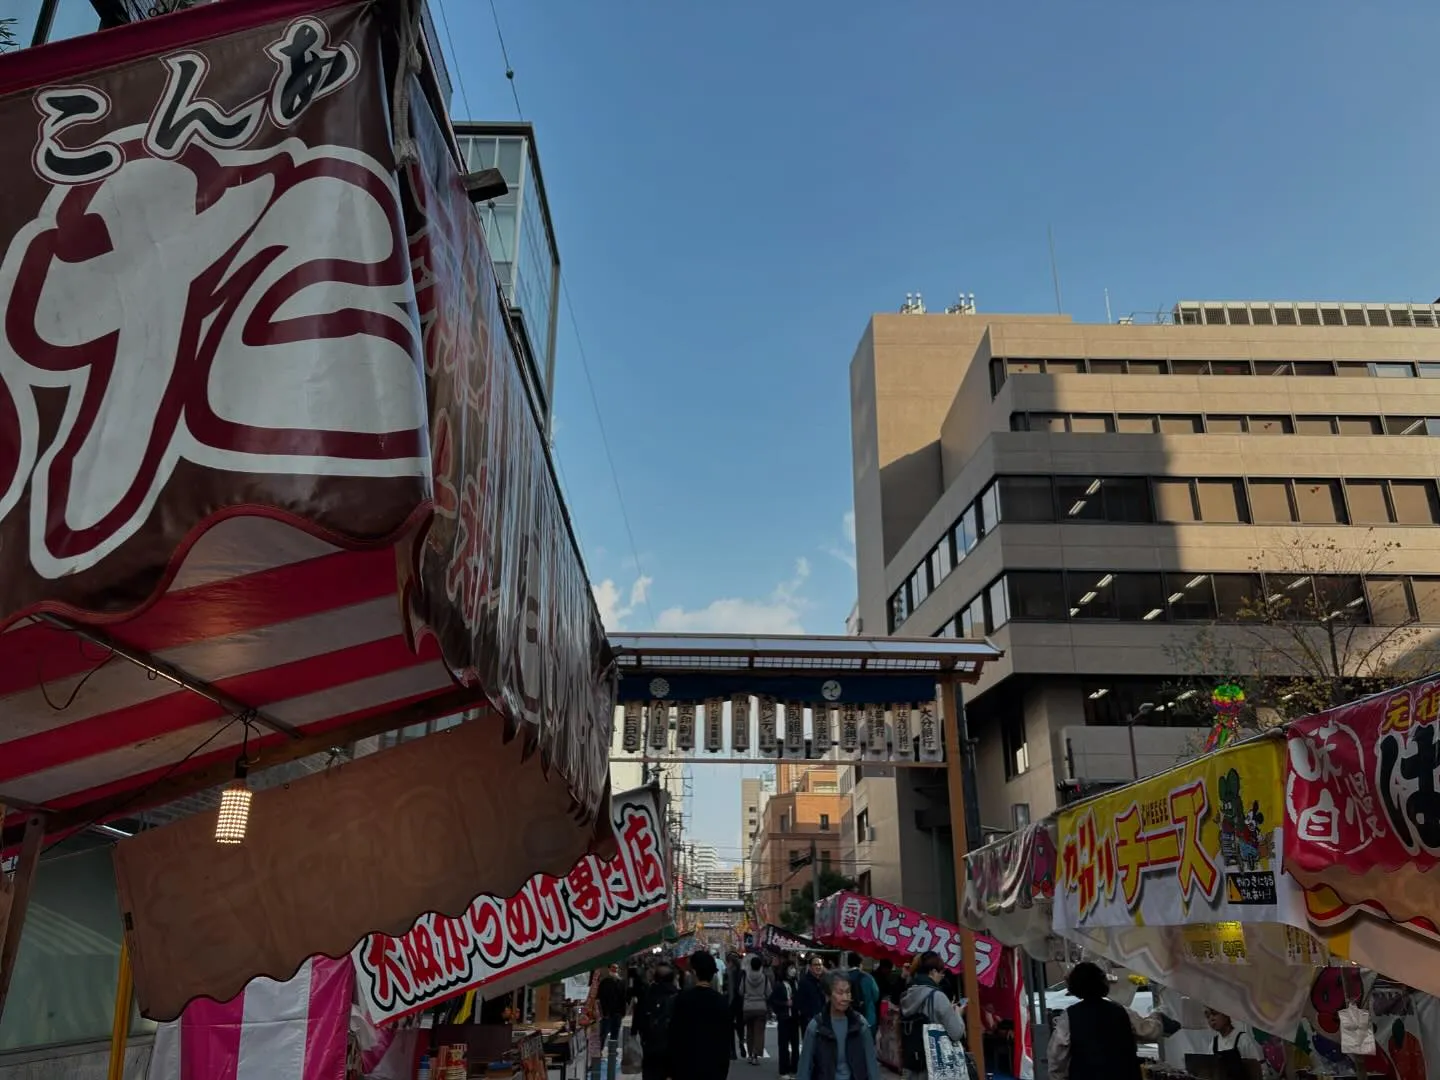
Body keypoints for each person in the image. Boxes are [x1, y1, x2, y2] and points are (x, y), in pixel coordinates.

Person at [1046, 962, 1140, 1080]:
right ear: (1103, 982)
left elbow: (1057, 1056)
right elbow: (1148, 1032)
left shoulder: (1069, 1016)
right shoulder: (1122, 1011)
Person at [796, 972, 879, 1080]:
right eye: (840, 993)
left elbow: (871, 1064)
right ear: (828, 995)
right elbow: (804, 1067)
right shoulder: (816, 1027)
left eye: (848, 992)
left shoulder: (860, 1024)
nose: (845, 998)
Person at [899, 951, 968, 1080]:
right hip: (933, 1067)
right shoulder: (937, 996)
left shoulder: (907, 994)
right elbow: (956, 1033)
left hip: (911, 1064)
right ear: (932, 972)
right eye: (941, 972)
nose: (942, 976)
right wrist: (957, 1014)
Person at [669, 950, 733, 1080]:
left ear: (694, 972)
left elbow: (674, 1036)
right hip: (713, 1068)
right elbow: (726, 1040)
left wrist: (671, 1070)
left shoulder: (682, 1000)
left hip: (686, 1067)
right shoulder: (721, 1002)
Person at [634, 964, 680, 1080]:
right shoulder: (679, 997)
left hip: (650, 1049)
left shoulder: (646, 996)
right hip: (673, 1051)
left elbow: (638, 1021)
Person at [1204, 1007, 1263, 1080]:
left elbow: (1258, 1071)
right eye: (1207, 1016)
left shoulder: (1243, 1039)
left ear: (1226, 1015)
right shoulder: (1213, 1043)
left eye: (1215, 1013)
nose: (1211, 1019)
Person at [770, 958, 801, 1080]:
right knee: (783, 1045)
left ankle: (795, 1068)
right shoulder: (779, 985)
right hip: (784, 1018)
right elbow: (773, 1001)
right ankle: (783, 1070)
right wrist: (784, 1004)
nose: (793, 970)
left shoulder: (796, 984)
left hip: (794, 1018)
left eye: (794, 968)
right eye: (790, 968)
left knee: (795, 1045)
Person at [741, 954, 773, 1065]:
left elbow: (741, 991)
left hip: (748, 1007)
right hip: (760, 1007)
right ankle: (755, 1055)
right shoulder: (764, 977)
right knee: (759, 1032)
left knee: (749, 1031)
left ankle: (749, 1054)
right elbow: (769, 992)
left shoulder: (745, 977)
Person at [843, 953, 880, 1028]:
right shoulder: (868, 978)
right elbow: (876, 995)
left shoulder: (842, 977)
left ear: (848, 964)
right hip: (868, 1019)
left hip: (847, 1019)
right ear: (860, 964)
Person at [598, 963, 627, 1049]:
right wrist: (603, 1012)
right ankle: (600, 1050)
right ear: (609, 969)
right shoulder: (605, 982)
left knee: (615, 1033)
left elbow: (623, 998)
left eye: (616, 968)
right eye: (613, 968)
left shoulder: (621, 982)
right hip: (607, 1012)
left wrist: (623, 1012)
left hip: (617, 1012)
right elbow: (601, 998)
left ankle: (613, 1052)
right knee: (604, 1033)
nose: (615, 969)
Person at [796, 955, 828, 1035]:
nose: (818, 967)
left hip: (823, 1019)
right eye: (815, 965)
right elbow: (800, 1002)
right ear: (810, 967)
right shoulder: (804, 982)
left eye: (820, 965)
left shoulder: (823, 982)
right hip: (809, 1020)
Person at [727, 954, 747, 1061]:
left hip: (732, 1002)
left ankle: (733, 1052)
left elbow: (730, 989)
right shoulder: (742, 972)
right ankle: (741, 1044)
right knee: (740, 1026)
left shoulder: (729, 972)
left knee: (730, 1027)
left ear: (731, 962)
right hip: (741, 1002)